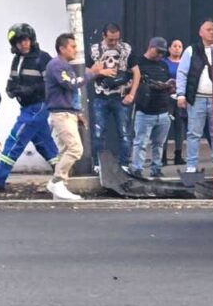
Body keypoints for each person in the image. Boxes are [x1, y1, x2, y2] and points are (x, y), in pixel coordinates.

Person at [0, 24, 59, 191]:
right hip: (26, 106)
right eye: (20, 41)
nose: (24, 44)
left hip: (38, 106)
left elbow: (51, 84)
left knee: (15, 140)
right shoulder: (17, 59)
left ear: (31, 39)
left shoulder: (42, 58)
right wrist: (11, 89)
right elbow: (12, 80)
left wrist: (31, 89)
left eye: (26, 40)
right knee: (44, 142)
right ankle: (61, 175)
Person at [46, 33, 107, 200]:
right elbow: (71, 84)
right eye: (72, 47)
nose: (76, 50)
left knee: (65, 149)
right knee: (75, 148)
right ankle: (57, 181)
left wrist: (77, 112)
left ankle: (59, 190)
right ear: (62, 48)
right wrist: (92, 73)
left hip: (67, 112)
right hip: (61, 114)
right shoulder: (58, 65)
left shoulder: (63, 65)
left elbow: (70, 91)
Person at [176, 20, 213, 173]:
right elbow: (182, 73)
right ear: (200, 32)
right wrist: (181, 95)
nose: (212, 32)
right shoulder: (191, 50)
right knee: (193, 133)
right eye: (208, 29)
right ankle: (191, 167)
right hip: (197, 98)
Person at [88, 24, 134, 173]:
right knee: (98, 132)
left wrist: (132, 93)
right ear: (103, 36)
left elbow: (136, 71)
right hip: (101, 96)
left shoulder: (126, 49)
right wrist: (102, 72)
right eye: (110, 39)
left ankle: (124, 164)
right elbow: (86, 71)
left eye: (116, 39)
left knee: (125, 133)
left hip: (121, 96)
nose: (114, 42)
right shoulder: (95, 50)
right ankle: (98, 164)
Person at [127, 38, 175, 178]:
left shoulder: (163, 65)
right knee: (140, 142)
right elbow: (132, 82)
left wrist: (169, 87)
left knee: (159, 144)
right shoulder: (139, 63)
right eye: (158, 51)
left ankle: (156, 168)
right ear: (150, 47)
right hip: (145, 110)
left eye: (162, 52)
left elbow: (168, 83)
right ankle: (137, 168)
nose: (160, 55)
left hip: (163, 109)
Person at [167, 39, 187, 166]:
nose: (177, 48)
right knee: (165, 126)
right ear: (169, 48)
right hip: (167, 97)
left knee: (180, 127)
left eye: (180, 46)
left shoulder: (185, 63)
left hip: (180, 97)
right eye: (174, 46)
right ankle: (162, 155)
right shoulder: (164, 62)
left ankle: (178, 154)